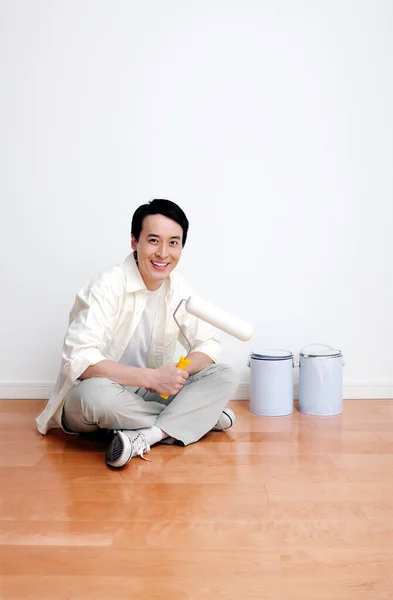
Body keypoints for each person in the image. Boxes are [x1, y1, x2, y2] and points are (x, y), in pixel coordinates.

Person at [36, 199, 239, 468]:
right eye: (153, 241)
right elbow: (79, 359)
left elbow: (208, 343)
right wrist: (153, 378)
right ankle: (199, 419)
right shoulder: (107, 284)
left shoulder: (179, 288)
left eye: (173, 243)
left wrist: (180, 371)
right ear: (135, 241)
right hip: (98, 393)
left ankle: (148, 436)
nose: (163, 253)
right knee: (95, 397)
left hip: (147, 396)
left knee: (224, 374)